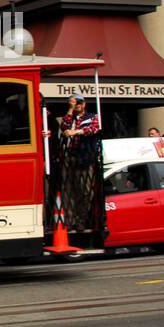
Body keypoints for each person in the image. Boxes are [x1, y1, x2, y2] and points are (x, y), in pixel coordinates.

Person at [59, 94, 101, 231]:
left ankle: (81, 220)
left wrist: (76, 132)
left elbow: (93, 129)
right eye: (74, 103)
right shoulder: (70, 117)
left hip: (85, 157)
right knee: (69, 191)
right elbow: (63, 126)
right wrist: (70, 110)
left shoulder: (92, 117)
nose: (77, 105)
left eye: (79, 103)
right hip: (69, 157)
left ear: (84, 104)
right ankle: (70, 221)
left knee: (85, 191)